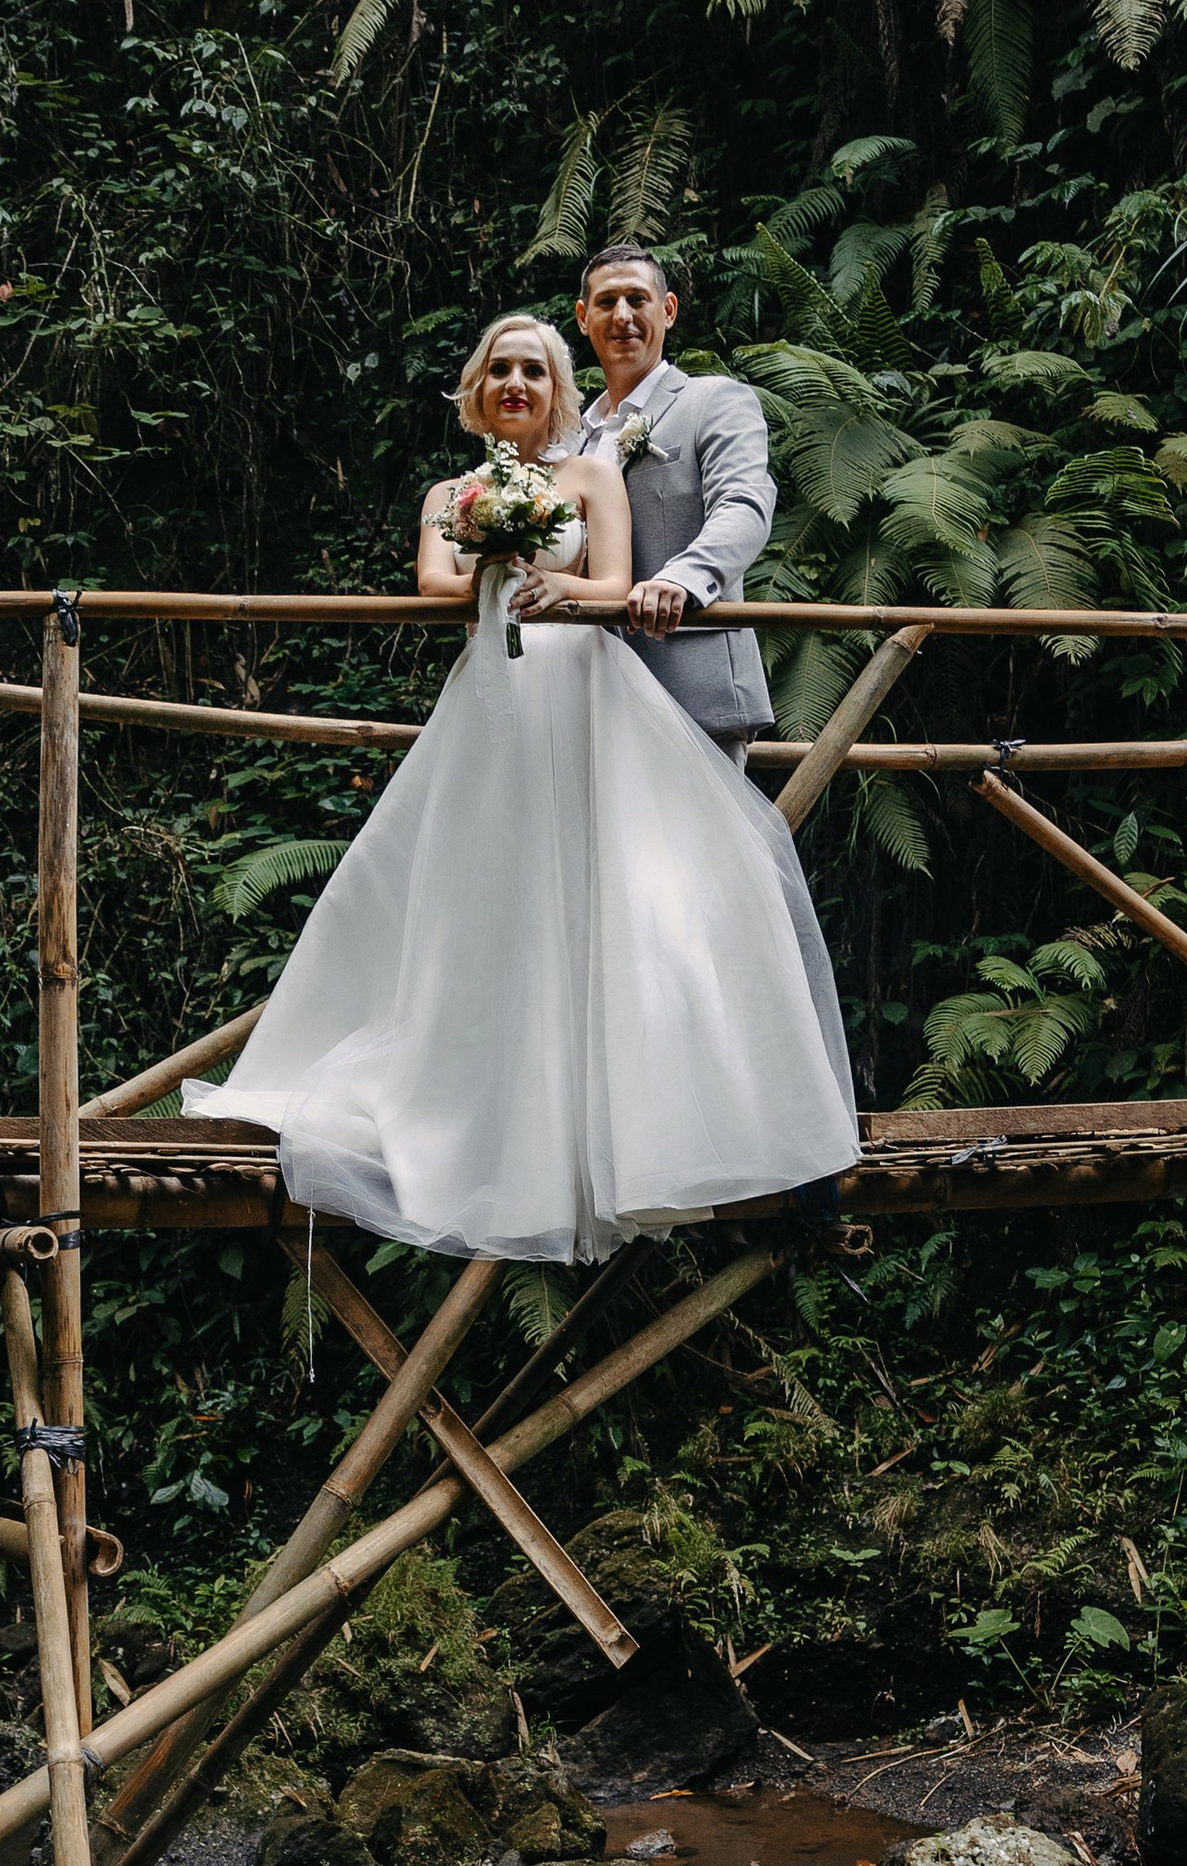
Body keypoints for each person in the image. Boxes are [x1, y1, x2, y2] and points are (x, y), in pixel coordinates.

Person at [184, 308, 858, 1264]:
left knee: (628, 896)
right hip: (493, 700)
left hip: (585, 690)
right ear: (477, 389)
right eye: (500, 369)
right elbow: (432, 581)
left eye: (535, 371)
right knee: (483, 892)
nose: (516, 384)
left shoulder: (591, 476)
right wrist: (493, 563)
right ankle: (493, 1108)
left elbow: (619, 582)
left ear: (557, 388)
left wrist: (556, 588)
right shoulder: (449, 491)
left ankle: (661, 1119)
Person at [514, 242, 777, 763]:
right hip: (581, 698)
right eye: (607, 302)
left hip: (688, 683)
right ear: (583, 318)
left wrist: (682, 579)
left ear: (669, 310)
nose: (623, 316)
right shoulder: (571, 441)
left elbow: (745, 504)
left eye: (638, 299)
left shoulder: (714, 402)